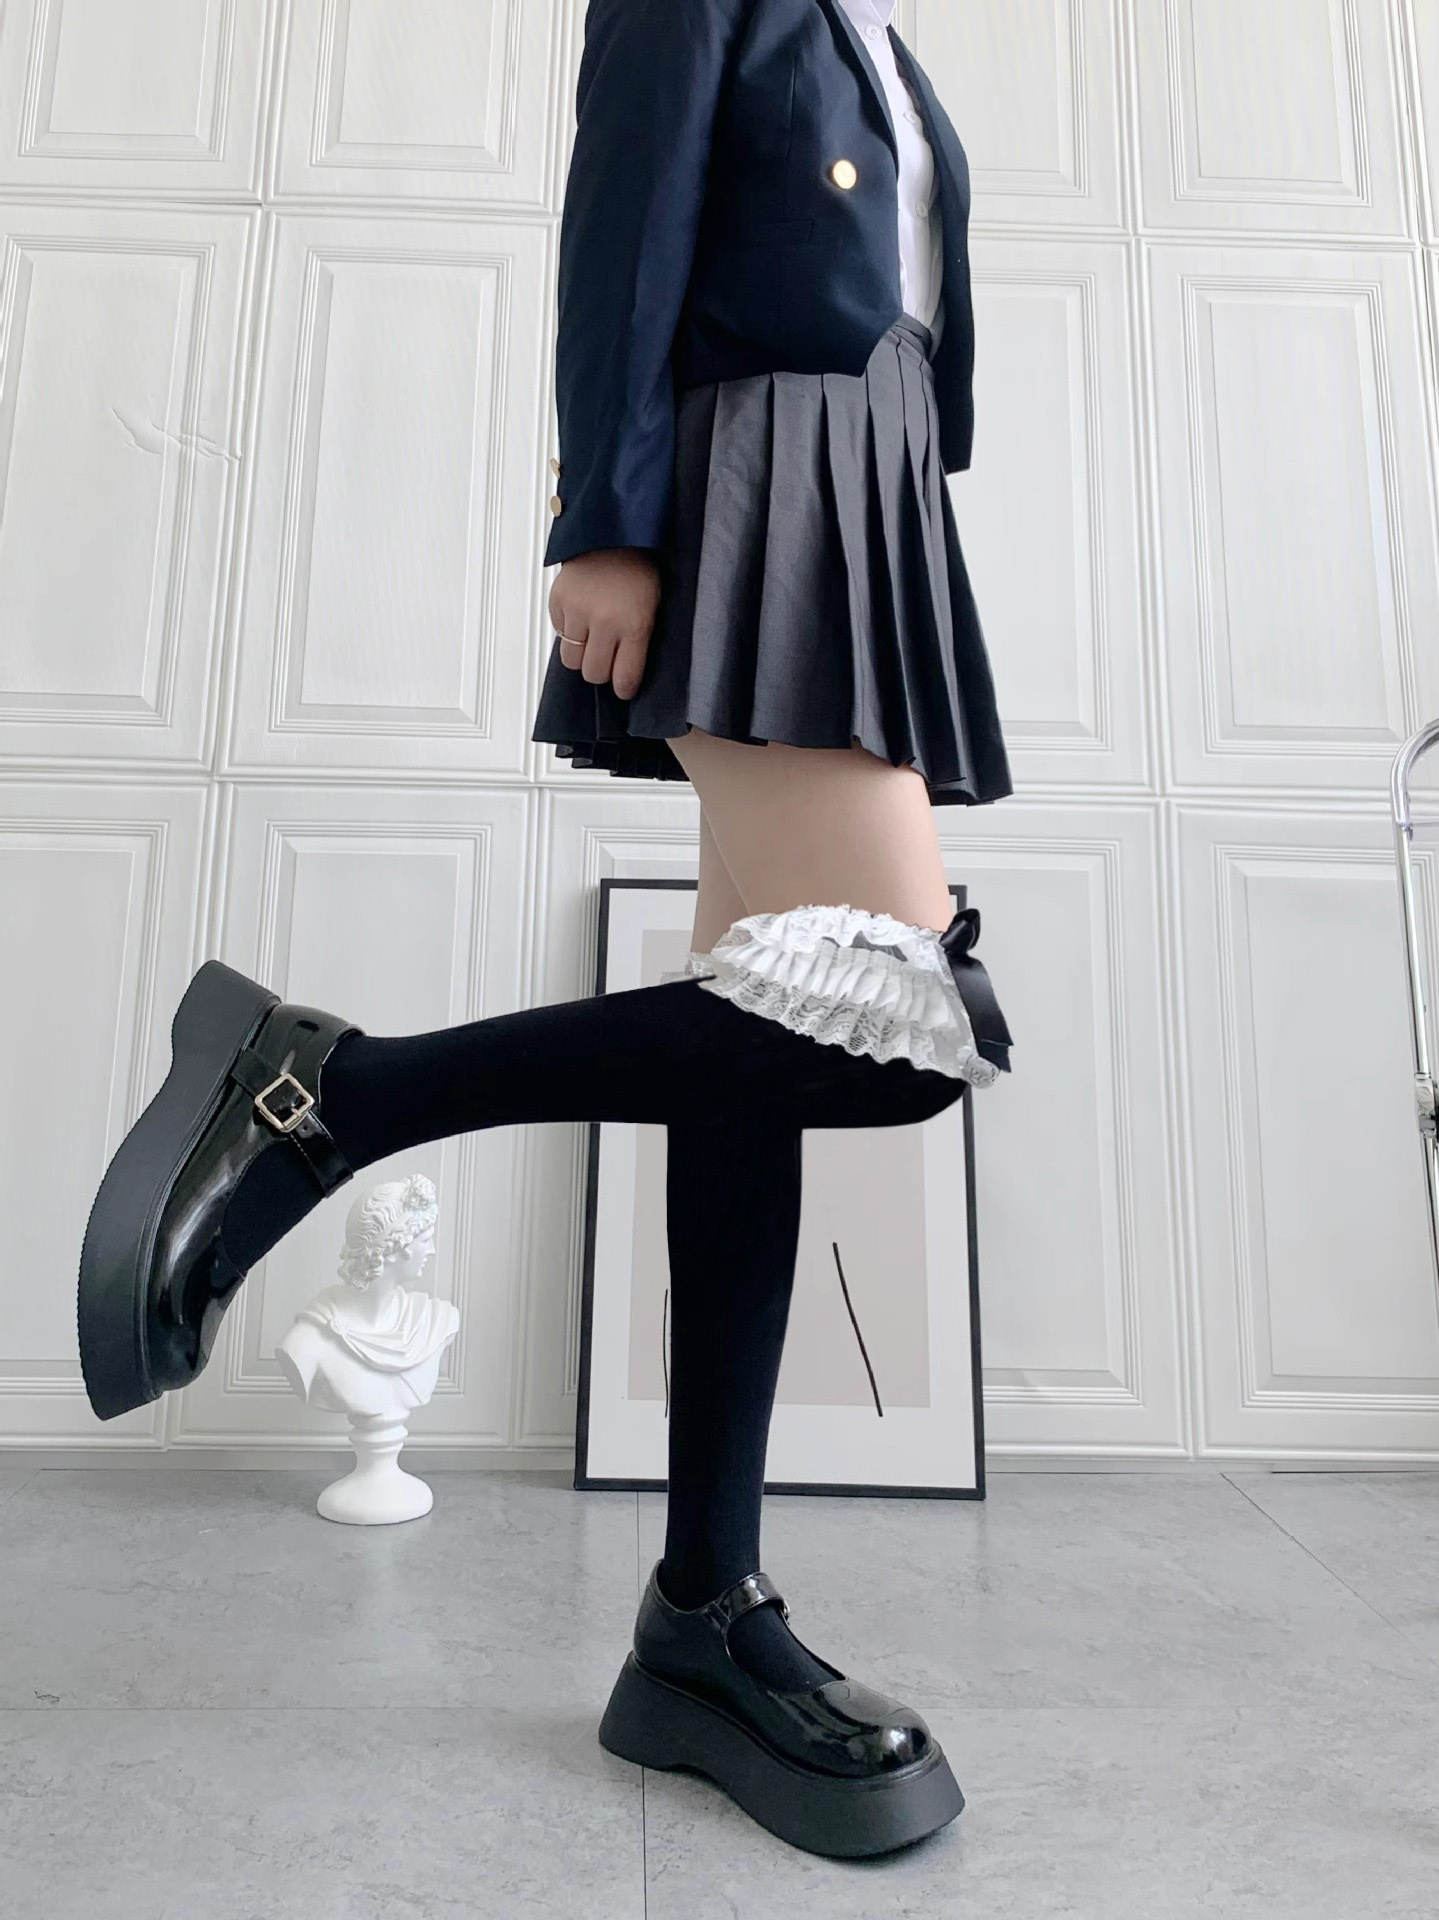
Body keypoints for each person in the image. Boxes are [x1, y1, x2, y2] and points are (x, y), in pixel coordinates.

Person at [76, 0, 1014, 1862]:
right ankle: (326, 1093)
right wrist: (609, 515)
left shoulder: (883, 37)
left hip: (860, 485)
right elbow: (629, 220)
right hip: (759, 482)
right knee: (913, 1028)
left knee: (759, 1059)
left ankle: (700, 1621)